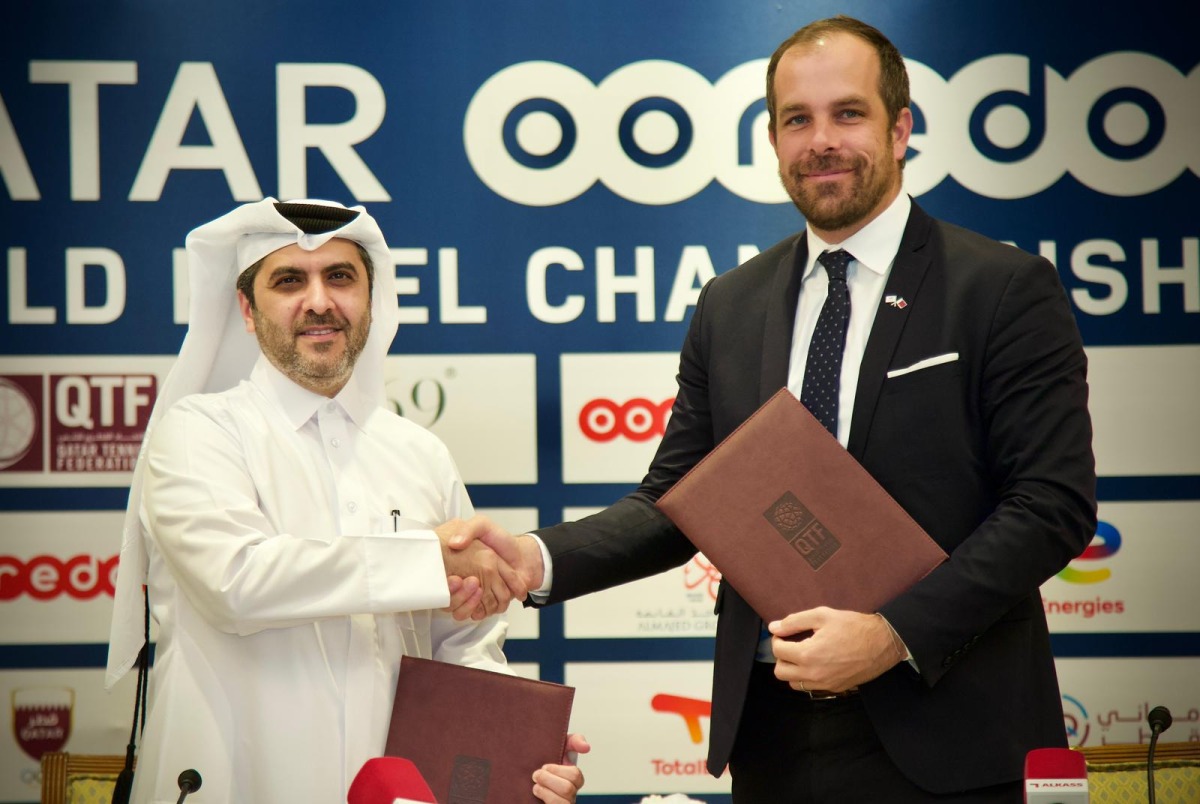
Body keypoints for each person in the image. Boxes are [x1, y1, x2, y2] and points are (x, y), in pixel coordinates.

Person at [451, 15, 1096, 802]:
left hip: (951, 738)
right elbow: (679, 500)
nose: (821, 140)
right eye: (798, 120)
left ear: (900, 130)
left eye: (847, 114)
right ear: (774, 138)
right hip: (774, 738)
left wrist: (892, 636)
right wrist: (537, 559)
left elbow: (1051, 506)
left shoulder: (1000, 288)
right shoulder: (732, 304)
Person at [105, 198, 586, 803]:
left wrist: (518, 753)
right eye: (289, 280)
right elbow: (235, 583)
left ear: (370, 299)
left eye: (340, 277)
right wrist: (426, 561)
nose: (319, 301)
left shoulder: (420, 453)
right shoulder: (198, 431)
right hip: (229, 781)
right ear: (248, 311)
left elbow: (464, 642)